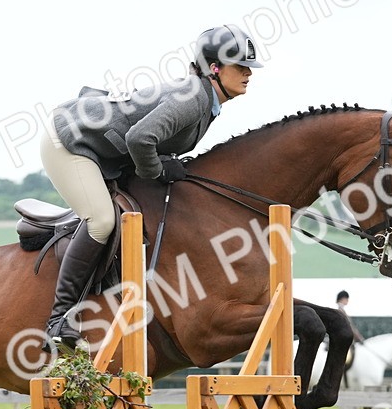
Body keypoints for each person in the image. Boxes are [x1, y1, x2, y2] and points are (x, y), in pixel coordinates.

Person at [40, 24, 264, 346]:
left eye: (249, 67)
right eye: (241, 66)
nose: (248, 73)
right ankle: (59, 320)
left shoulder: (203, 98)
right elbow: (140, 138)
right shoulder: (193, 100)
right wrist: (158, 172)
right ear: (214, 68)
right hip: (70, 142)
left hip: (105, 148)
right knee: (102, 221)